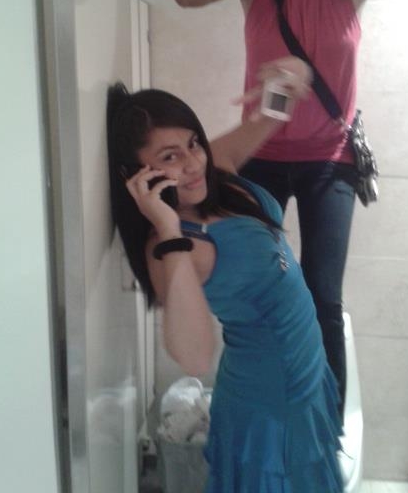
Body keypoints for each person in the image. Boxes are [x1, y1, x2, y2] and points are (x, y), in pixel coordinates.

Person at [171, 0, 408, 415]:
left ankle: (325, 426)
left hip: (331, 160)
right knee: (254, 289)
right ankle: (259, 403)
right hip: (259, 157)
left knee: (322, 294)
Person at [106, 56, 345, 492]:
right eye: (169, 157)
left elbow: (273, 113)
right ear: (138, 176)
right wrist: (168, 229)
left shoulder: (213, 173)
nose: (193, 163)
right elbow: (196, 358)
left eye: (193, 143)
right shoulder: (172, 246)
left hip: (306, 378)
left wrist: (290, 76)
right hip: (272, 404)